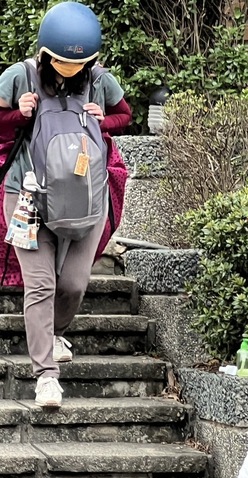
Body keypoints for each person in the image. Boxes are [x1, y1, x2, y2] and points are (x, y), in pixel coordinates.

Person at [0, 2, 132, 408]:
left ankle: (53, 331)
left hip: (84, 195)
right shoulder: (17, 76)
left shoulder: (99, 80)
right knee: (40, 283)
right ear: (45, 54)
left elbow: (125, 116)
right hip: (27, 196)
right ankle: (46, 377)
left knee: (73, 283)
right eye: (61, 63)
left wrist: (101, 120)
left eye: (79, 64)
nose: (70, 71)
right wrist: (17, 117)